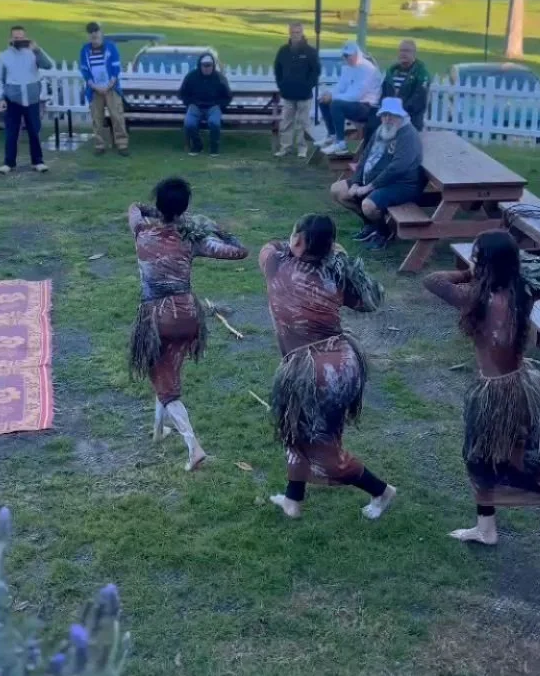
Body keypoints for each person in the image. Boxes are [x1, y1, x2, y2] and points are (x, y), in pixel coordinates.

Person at [423, 230, 540, 546]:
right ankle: (486, 529)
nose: (473, 263)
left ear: (487, 264)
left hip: (505, 395)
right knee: (479, 458)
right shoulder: (522, 290)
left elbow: (433, 281)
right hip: (507, 387)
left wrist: (466, 272)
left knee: (525, 465)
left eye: (477, 258)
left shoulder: (475, 296)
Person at [261, 214, 396, 521]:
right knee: (295, 429)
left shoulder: (275, 264)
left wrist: (304, 244)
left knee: (327, 454)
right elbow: (370, 301)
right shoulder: (334, 275)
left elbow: (270, 245)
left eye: (295, 235)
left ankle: (382, 491)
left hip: (320, 374)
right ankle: (293, 500)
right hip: (339, 364)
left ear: (297, 241)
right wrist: (337, 259)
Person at [128, 178, 248, 471]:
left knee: (166, 387)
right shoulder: (192, 238)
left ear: (158, 206)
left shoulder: (141, 231)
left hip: (156, 317)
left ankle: (193, 446)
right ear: (185, 209)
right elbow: (239, 250)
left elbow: (134, 208)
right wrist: (212, 227)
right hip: (187, 315)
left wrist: (157, 211)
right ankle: (158, 431)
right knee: (166, 372)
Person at [330, 98, 423, 250]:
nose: (387, 119)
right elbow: (364, 158)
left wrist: (369, 187)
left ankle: (384, 233)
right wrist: (355, 183)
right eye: (384, 115)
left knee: (368, 205)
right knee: (337, 190)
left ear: (400, 116)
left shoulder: (407, 135)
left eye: (392, 115)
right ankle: (371, 225)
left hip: (402, 185)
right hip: (376, 180)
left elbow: (397, 168)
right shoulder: (381, 130)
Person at [0, 25, 54, 174]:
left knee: (34, 131)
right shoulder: (4, 56)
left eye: (22, 38)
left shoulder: (33, 53)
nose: (19, 40)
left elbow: (48, 65)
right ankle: (9, 163)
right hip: (13, 100)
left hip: (32, 99)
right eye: (16, 38)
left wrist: (37, 50)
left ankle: (37, 161)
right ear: (10, 39)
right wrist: (1, 97)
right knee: (11, 132)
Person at [318, 42, 381, 156]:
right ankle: (332, 135)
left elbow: (357, 95)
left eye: (349, 56)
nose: (347, 58)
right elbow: (340, 87)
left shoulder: (367, 69)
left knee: (336, 104)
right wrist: (329, 94)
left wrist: (332, 97)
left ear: (357, 54)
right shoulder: (347, 67)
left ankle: (341, 143)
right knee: (322, 100)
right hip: (355, 103)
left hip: (368, 107)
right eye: (345, 56)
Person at [79, 22, 129, 157]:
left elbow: (116, 68)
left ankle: (122, 144)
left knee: (117, 116)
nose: (94, 34)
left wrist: (108, 86)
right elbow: (84, 71)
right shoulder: (85, 50)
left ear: (101, 32)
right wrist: (95, 87)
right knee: (97, 118)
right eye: (91, 32)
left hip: (111, 88)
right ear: (88, 35)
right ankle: (99, 145)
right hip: (95, 89)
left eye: (96, 31)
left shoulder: (110, 47)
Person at [273, 22, 321, 159]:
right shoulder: (283, 51)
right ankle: (285, 147)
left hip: (304, 95)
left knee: (303, 123)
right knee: (286, 122)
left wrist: (308, 85)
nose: (295, 35)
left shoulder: (310, 52)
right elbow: (277, 70)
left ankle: (302, 149)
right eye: (293, 32)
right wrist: (281, 85)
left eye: (298, 32)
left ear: (302, 33)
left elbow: (316, 71)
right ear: (289, 33)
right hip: (287, 94)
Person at [179, 53, 232, 156]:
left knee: (215, 123)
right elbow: (182, 93)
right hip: (195, 107)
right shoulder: (191, 77)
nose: (207, 68)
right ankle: (197, 145)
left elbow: (228, 96)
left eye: (209, 65)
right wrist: (190, 103)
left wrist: (219, 105)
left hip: (213, 107)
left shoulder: (220, 78)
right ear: (200, 65)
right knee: (189, 123)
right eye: (205, 65)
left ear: (213, 66)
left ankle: (214, 147)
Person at [381, 39, 431, 132]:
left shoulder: (421, 74)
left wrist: (398, 111)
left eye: (407, 51)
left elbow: (419, 100)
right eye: (401, 50)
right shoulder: (391, 72)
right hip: (388, 118)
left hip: (411, 120)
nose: (403, 54)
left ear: (414, 54)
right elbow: (383, 94)